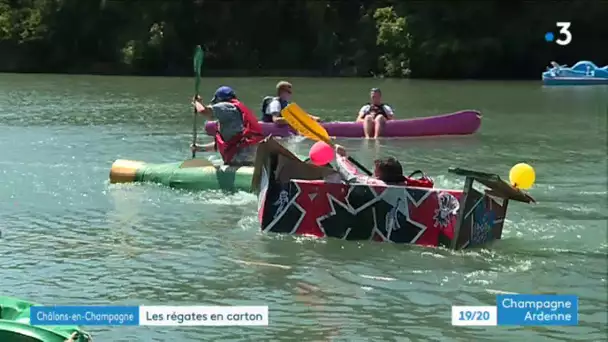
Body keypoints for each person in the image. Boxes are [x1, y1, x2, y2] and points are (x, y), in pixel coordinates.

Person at [191, 86, 264, 166]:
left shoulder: (226, 106)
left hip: (240, 157)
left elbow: (204, 111)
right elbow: (221, 145)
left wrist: (197, 103)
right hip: (253, 155)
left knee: (214, 164)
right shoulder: (236, 110)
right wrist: (199, 148)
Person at [334, 144, 433, 187]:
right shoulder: (406, 184)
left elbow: (351, 176)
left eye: (376, 171)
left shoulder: (376, 184)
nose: (373, 174)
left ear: (379, 176)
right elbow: (430, 182)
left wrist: (340, 156)